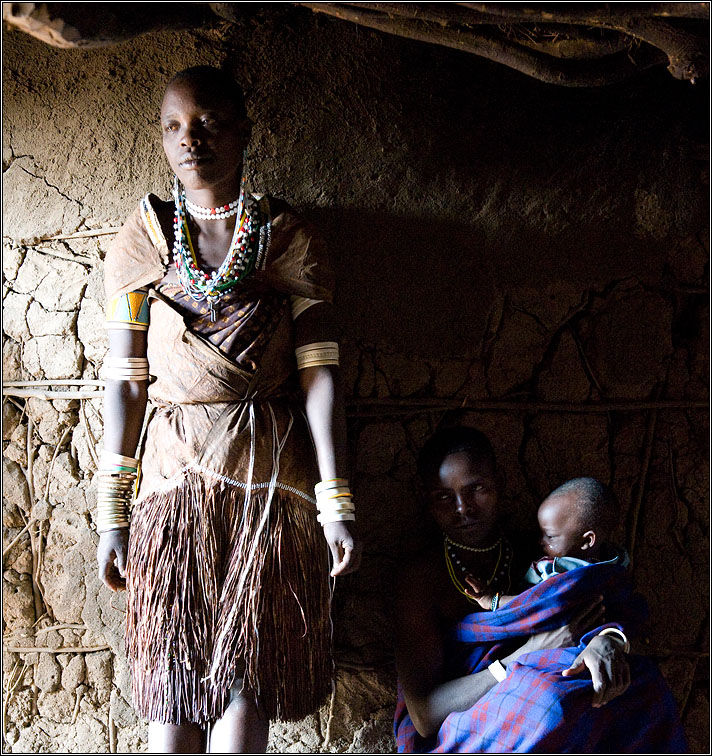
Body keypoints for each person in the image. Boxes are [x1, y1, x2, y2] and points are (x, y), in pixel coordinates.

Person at [97, 65, 361, 754]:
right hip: (173, 485)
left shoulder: (283, 238)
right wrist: (113, 515)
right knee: (173, 693)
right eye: (175, 127)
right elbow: (127, 382)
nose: (192, 140)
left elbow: (320, 376)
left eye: (209, 123)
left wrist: (334, 500)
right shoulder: (146, 239)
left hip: (268, 483)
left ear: (243, 131)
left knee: (250, 689)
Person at [394, 426, 687, 753]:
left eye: (477, 488)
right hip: (468, 721)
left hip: (545, 692)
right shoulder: (421, 580)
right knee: (547, 704)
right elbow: (425, 715)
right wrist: (526, 654)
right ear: (428, 502)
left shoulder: (540, 553)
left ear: (499, 483)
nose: (464, 508)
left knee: (642, 684)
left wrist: (606, 641)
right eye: (444, 498)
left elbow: (605, 603)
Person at [466, 477, 630, 611]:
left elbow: (535, 603)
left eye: (550, 536)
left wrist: (492, 600)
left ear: (587, 541)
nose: (540, 541)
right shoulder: (619, 561)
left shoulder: (561, 573)